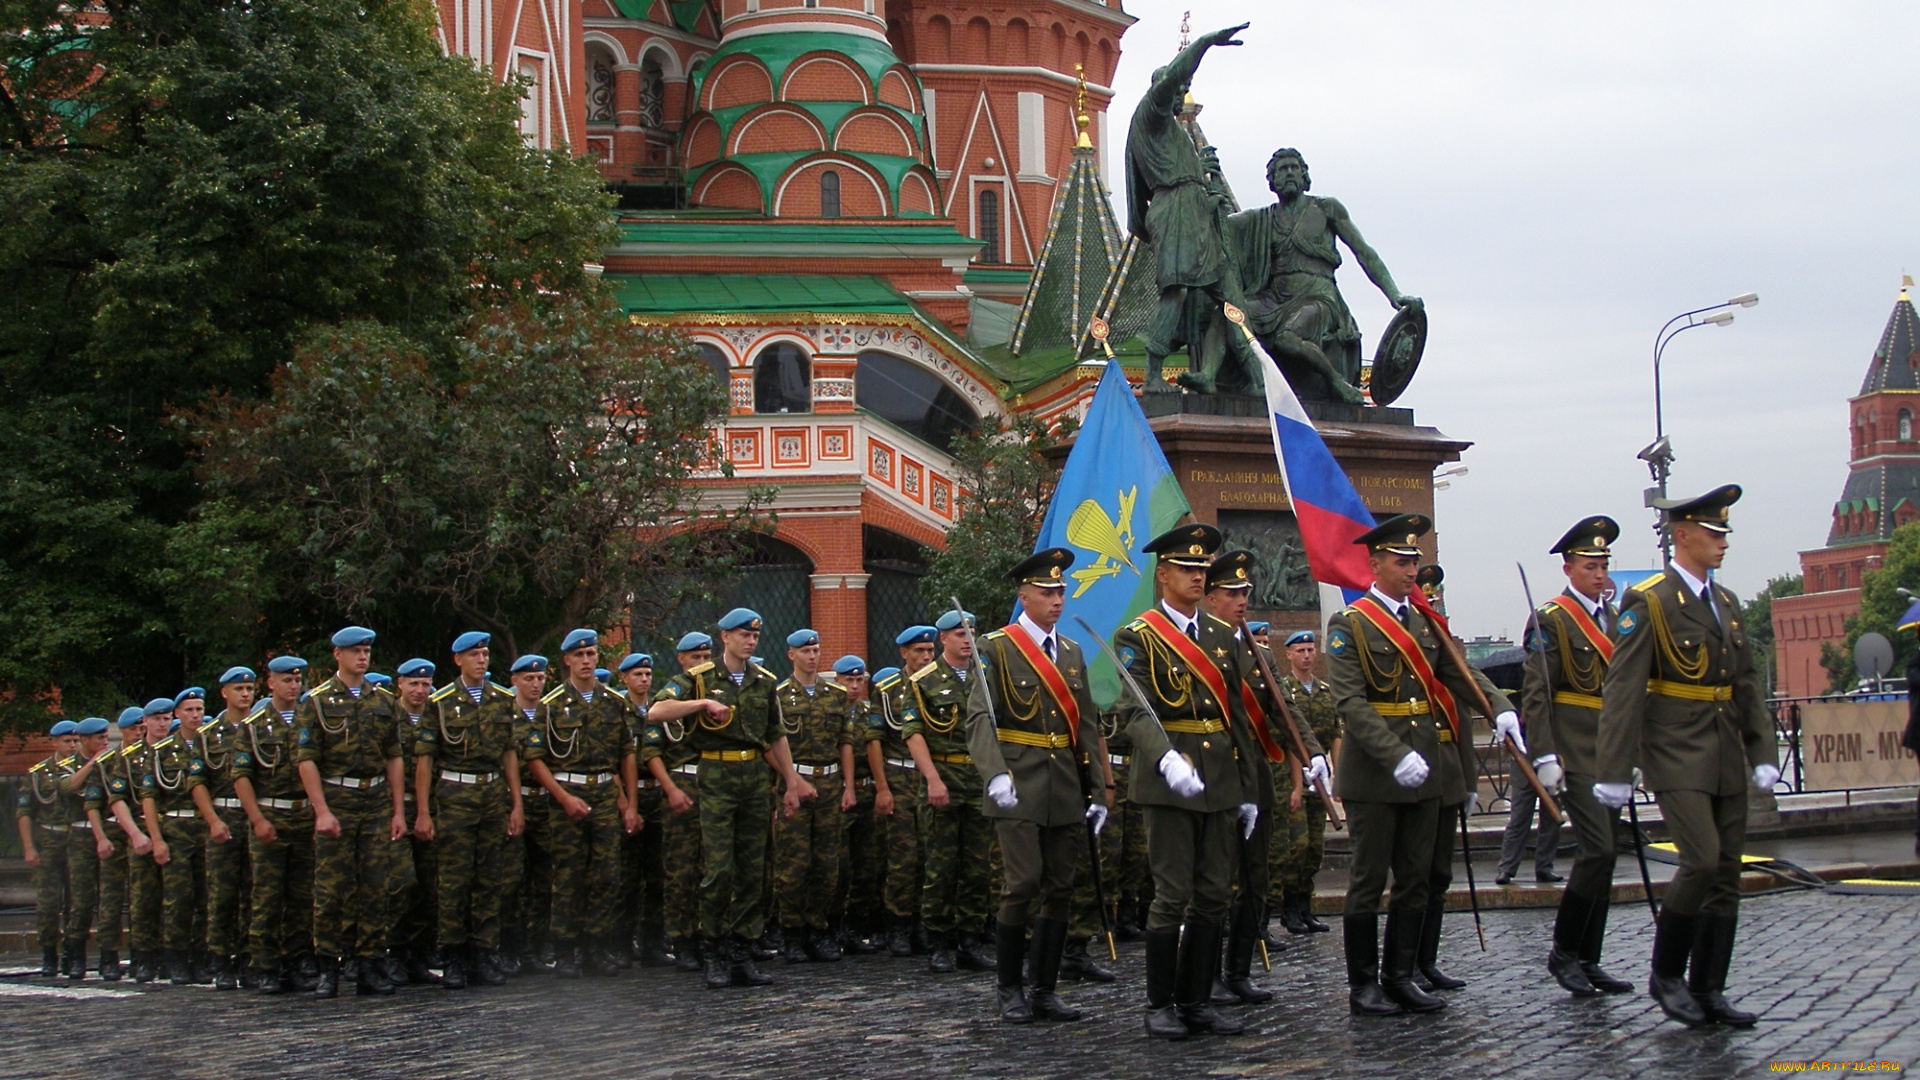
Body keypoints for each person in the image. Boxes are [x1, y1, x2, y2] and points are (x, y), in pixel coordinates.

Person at [1595, 485, 1777, 1028]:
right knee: (1698, 860)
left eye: (1724, 533)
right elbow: (1624, 688)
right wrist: (1613, 768)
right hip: (1675, 751)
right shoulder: (1648, 600)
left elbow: (1745, 683)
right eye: (1713, 533)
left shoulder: (1726, 604)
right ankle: (1667, 974)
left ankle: (1710, 988)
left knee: (1724, 871)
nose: (1723, 542)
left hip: (1723, 754)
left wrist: (1761, 749)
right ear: (1682, 536)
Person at [1325, 514, 1519, 1016]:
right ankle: (1363, 984)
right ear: (1375, 563)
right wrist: (1395, 754)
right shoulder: (1350, 624)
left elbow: (1460, 673)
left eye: (1415, 560)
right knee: (1369, 880)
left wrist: (1500, 707)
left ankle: (1401, 974)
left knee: (1415, 877)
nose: (1411, 570)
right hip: (1375, 771)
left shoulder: (1424, 622)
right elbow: (1350, 703)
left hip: (1428, 767)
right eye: (1400, 560)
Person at [1112, 523, 1263, 1039]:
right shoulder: (1137, 635)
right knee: (1172, 894)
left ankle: (1197, 1000)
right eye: (1188, 569)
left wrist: (1246, 788)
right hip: (1169, 781)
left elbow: (1237, 717)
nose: (1198, 577)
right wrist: (1167, 760)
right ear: (1164, 575)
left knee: (1215, 893)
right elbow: (1135, 712)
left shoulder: (1222, 636)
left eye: (1203, 569)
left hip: (1219, 780)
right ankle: (1160, 1004)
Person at [967, 548, 1105, 1023]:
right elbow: (980, 716)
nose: (1056, 600)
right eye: (1046, 592)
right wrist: (996, 772)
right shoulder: (996, 647)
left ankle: (1044, 988)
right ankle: (1009, 988)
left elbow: (1086, 725)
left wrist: (1099, 791)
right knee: (1022, 883)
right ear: (1024, 595)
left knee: (1061, 887)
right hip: (1019, 781)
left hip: (1064, 784)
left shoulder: (1070, 653)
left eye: (1061, 592)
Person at [649, 608, 813, 988]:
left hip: (755, 775)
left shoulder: (763, 680)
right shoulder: (700, 679)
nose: (750, 641)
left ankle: (742, 952)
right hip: (717, 775)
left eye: (754, 636)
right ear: (724, 637)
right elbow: (656, 711)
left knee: (752, 868)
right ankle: (713, 951)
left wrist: (791, 782)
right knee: (719, 868)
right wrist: (702, 705)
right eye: (743, 635)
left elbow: (776, 734)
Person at [1201, 550, 1328, 1007]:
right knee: (1217, 882)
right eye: (1232, 593)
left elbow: (1282, 706)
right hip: (1216, 774)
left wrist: (1312, 753)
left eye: (1245, 593)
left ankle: (1238, 971)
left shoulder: (1253, 648)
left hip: (1256, 772)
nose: (1242, 601)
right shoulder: (1197, 645)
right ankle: (1208, 974)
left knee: (1256, 878)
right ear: (1210, 597)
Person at [1523, 517, 1635, 997]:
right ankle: (1564, 951)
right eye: (1590, 565)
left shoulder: (1614, 619)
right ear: (1569, 568)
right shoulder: (1552, 618)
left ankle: (1590, 958)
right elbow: (1537, 693)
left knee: (1606, 858)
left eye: (1603, 564)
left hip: (1610, 750)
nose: (1599, 572)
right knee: (1598, 850)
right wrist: (1544, 753)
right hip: (1576, 749)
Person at [296, 625, 408, 998]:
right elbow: (307, 760)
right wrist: (321, 811)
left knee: (376, 887)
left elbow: (394, 757)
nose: (363, 657)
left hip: (374, 800)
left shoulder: (384, 702)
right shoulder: (316, 701)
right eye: (356, 651)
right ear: (337, 655)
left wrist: (397, 810)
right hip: (337, 799)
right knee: (331, 889)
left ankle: (370, 962)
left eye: (366, 651)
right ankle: (328, 964)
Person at [526, 629, 643, 978]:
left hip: (605, 795)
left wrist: (631, 805)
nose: (587, 661)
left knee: (608, 874)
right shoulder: (551, 706)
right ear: (567, 661)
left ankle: (598, 945)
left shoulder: (614, 703)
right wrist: (562, 797)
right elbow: (534, 757)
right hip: (568, 796)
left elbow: (627, 754)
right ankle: (566, 949)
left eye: (591, 654)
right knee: (568, 875)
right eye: (580, 656)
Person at [903, 609, 997, 974]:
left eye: (971, 632)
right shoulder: (923, 681)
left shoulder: (987, 678)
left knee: (977, 866)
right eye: (959, 633)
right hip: (943, 775)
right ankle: (938, 942)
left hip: (980, 779)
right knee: (941, 865)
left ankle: (971, 940)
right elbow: (913, 735)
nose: (967, 639)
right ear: (943, 639)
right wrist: (932, 779)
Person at [233, 655, 317, 993]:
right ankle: (264, 964)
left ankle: (296, 961)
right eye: (286, 680)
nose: (293, 686)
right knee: (267, 896)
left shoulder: (311, 719)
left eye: (297, 681)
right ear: (270, 683)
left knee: (302, 896)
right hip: (271, 814)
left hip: (304, 815)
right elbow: (241, 776)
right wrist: (257, 819)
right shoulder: (253, 726)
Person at [771, 629, 855, 962]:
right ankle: (791, 933)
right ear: (791, 655)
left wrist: (849, 785)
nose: (812, 656)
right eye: (805, 651)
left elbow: (845, 743)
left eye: (817, 650)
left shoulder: (834, 694)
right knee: (793, 864)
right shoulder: (777, 695)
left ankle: (819, 929)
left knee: (827, 863)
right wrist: (791, 781)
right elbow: (770, 745)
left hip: (830, 783)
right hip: (795, 782)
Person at [144, 688, 226, 985]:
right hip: (177, 828)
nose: (195, 716)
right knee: (178, 899)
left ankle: (202, 956)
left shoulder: (214, 745)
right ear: (177, 714)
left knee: (208, 897)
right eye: (189, 710)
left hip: (207, 827)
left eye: (199, 710)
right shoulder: (161, 753)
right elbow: (150, 797)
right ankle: (175, 958)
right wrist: (157, 839)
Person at [642, 632, 713, 972]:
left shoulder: (719, 688)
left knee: (713, 867)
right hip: (683, 782)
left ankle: (709, 934)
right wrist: (670, 788)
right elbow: (653, 747)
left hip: (715, 783)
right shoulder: (675, 690)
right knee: (681, 868)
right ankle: (682, 939)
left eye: (706, 657)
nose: (701, 664)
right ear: (681, 660)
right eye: (694, 658)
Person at [871, 626, 937, 956]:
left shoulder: (940, 684)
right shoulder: (886, 690)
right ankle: (897, 924)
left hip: (931, 779)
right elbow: (875, 740)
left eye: (929, 651)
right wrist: (882, 788)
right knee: (902, 857)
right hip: (899, 776)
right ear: (904, 653)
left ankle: (923, 923)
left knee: (930, 854)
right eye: (919, 651)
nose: (926, 657)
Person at [1273, 630, 1339, 938]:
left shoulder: (1325, 692)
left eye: (1311, 649)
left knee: (1315, 848)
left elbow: (1334, 734)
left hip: (1320, 778)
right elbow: (1289, 740)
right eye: (1300, 650)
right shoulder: (1284, 691)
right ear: (1288, 655)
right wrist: (1297, 786)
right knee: (1296, 847)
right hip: (1294, 777)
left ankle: (1305, 906)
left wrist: (1337, 775)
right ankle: (1288, 909)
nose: (1307, 655)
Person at [381, 657, 440, 986]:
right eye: (413, 683)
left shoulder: (438, 714)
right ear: (399, 684)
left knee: (429, 886)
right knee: (402, 883)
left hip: (432, 810)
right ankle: (394, 952)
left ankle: (419, 955)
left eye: (425, 684)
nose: (420, 690)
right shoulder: (388, 716)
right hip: (396, 810)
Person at [203, 667, 259, 989]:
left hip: (255, 818)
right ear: (225, 692)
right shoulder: (209, 734)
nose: (245, 694)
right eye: (239, 688)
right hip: (224, 816)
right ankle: (221, 959)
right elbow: (199, 782)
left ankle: (250, 959)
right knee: (223, 894)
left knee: (255, 893)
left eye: (250, 688)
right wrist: (212, 820)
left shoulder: (262, 729)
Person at [89, 708, 153, 981]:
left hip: (144, 830)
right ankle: (109, 955)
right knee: (112, 897)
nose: (139, 734)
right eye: (134, 730)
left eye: (142, 729)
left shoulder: (151, 758)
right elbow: (93, 804)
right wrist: (101, 837)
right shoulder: (109, 762)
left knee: (142, 897)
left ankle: (142, 955)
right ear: (123, 732)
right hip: (115, 831)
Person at [615, 652, 670, 966]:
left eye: (647, 675)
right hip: (627, 796)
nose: (644, 680)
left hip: (656, 796)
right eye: (637, 675)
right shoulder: (616, 710)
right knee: (626, 874)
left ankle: (652, 942)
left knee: (657, 873)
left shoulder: (659, 710)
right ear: (624, 678)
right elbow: (611, 760)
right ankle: (623, 943)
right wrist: (624, 803)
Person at [828, 655, 882, 954]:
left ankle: (856, 928)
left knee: (866, 864)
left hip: (867, 793)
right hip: (835, 793)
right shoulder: (830, 710)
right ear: (837, 681)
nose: (854, 686)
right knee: (839, 865)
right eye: (848, 680)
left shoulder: (868, 713)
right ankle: (832, 925)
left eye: (859, 680)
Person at [19, 719, 80, 977]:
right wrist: (29, 847)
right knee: (48, 902)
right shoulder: (39, 773)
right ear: (54, 742)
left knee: (77, 901)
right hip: (48, 840)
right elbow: (24, 812)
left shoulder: (87, 768)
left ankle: (72, 952)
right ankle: (49, 954)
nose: (72, 746)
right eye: (67, 741)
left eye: (76, 741)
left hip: (77, 839)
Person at [119, 700, 175, 982]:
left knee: (176, 898)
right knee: (144, 899)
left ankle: (171, 954)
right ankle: (143, 956)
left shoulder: (177, 752)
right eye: (157, 720)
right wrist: (136, 834)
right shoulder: (130, 757)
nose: (163, 724)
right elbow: (118, 801)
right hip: (142, 831)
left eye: (167, 719)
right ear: (146, 724)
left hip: (176, 831)